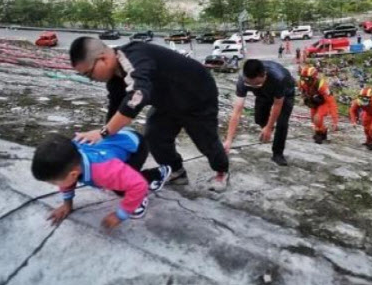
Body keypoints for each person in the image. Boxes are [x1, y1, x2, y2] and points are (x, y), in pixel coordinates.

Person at [69, 37, 230, 192]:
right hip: (167, 101)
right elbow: (115, 109)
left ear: (103, 58)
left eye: (89, 74)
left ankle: (222, 172)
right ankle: (177, 172)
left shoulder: (135, 56)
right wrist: (104, 140)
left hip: (197, 95)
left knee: (206, 140)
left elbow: (137, 97)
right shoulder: (114, 80)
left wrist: (103, 133)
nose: (91, 79)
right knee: (154, 135)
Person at [31, 134, 168, 229]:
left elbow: (138, 185)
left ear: (73, 174)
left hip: (135, 147)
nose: (55, 186)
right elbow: (68, 181)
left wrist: (121, 214)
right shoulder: (71, 159)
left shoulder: (104, 171)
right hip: (113, 143)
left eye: (54, 183)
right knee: (117, 180)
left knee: (122, 187)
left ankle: (157, 174)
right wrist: (67, 204)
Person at [224, 59, 295, 166]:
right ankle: (267, 129)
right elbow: (237, 111)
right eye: (249, 84)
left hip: (285, 95)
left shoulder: (279, 78)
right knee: (259, 118)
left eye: (256, 84)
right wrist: (228, 140)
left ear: (264, 75)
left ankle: (277, 154)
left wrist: (269, 127)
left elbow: (277, 104)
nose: (252, 87)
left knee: (282, 123)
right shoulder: (243, 80)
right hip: (263, 94)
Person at [298, 66, 339, 144]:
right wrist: (303, 98)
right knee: (313, 119)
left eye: (307, 79)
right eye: (303, 78)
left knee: (317, 118)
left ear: (313, 78)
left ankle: (320, 133)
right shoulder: (302, 82)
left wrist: (335, 121)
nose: (305, 81)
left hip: (324, 102)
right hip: (313, 102)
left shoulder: (321, 85)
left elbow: (331, 101)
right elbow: (303, 92)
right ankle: (321, 132)